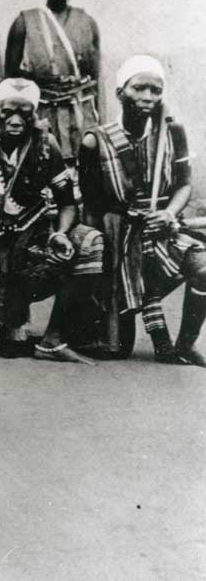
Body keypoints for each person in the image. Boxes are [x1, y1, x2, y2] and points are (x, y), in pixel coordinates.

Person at [79, 55, 206, 366]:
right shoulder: (96, 141)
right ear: (121, 92)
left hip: (159, 229)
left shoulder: (171, 133)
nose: (148, 97)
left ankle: (185, 345)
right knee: (117, 348)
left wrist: (169, 213)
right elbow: (92, 205)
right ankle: (114, 308)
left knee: (204, 268)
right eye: (139, 88)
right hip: (118, 237)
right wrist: (98, 264)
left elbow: (184, 184)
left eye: (155, 90)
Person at [0, 78, 103, 363]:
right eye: (8, 112)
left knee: (90, 242)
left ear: (35, 114)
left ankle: (53, 339)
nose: (16, 121)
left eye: (25, 113)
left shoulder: (46, 144)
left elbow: (67, 203)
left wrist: (61, 233)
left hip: (31, 239)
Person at [4, 0, 101, 164]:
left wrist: (98, 122)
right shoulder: (25, 21)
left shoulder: (86, 22)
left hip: (79, 112)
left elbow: (95, 78)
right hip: (43, 109)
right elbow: (10, 75)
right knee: (42, 163)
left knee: (81, 166)